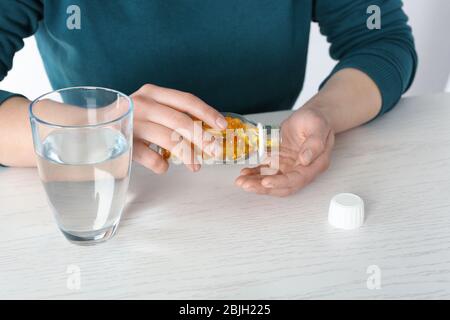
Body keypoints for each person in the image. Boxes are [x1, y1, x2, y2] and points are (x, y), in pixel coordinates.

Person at [0, 1, 417, 197]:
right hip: (111, 191)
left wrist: (322, 114)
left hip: (268, 189)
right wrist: (102, 127)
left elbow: (381, 40)